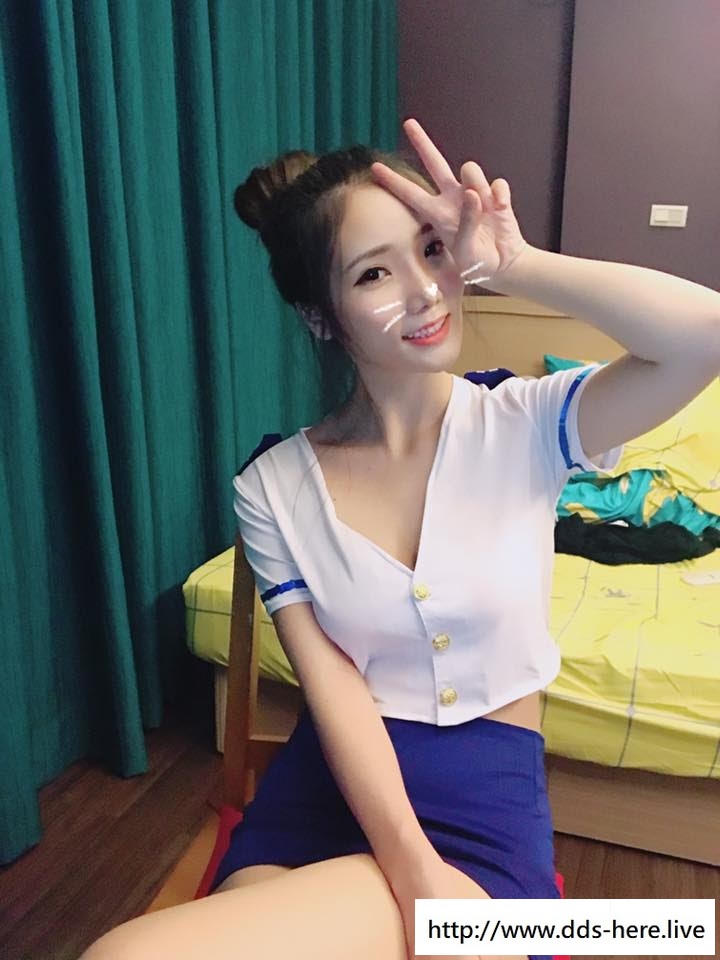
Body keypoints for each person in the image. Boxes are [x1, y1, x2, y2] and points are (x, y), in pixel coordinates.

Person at [81, 119, 720, 960]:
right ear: (319, 315)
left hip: (484, 809)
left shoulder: (525, 422)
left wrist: (517, 265)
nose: (424, 292)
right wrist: (413, 872)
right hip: (332, 790)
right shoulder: (272, 488)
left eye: (431, 250)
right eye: (374, 272)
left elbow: (704, 335)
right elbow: (334, 688)